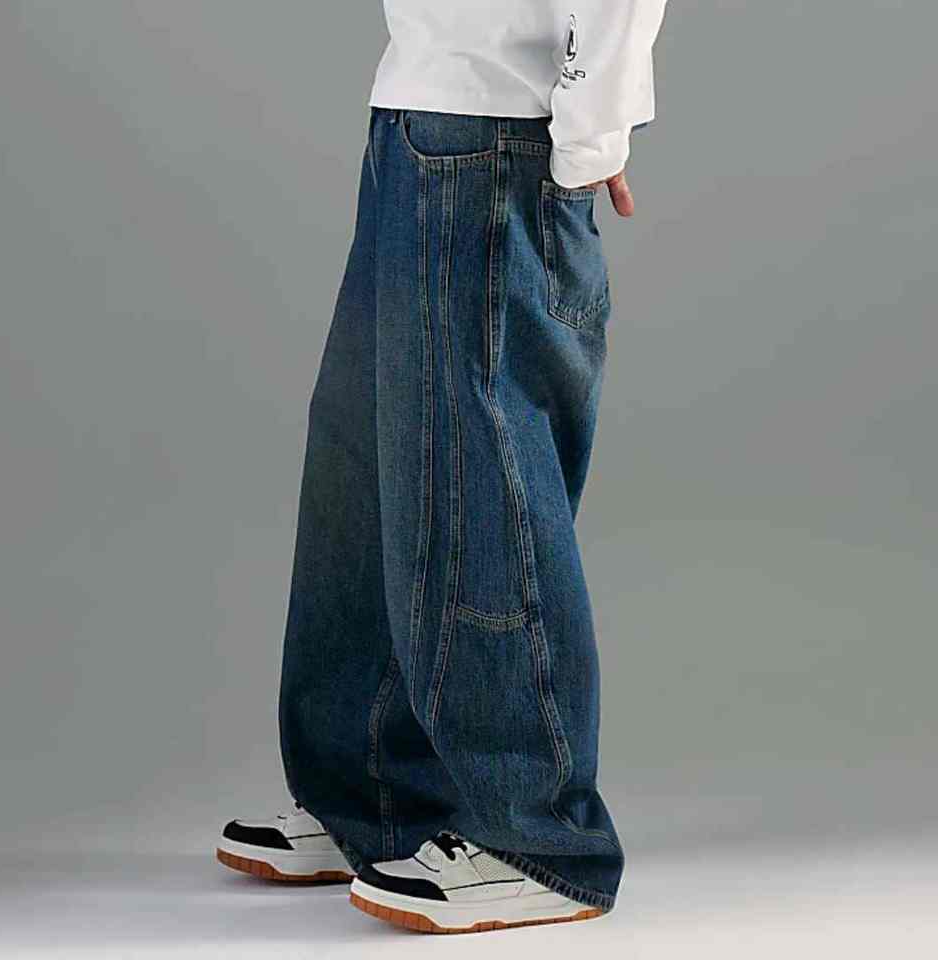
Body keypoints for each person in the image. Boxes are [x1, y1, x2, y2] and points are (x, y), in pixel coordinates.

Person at [217, 0, 669, 934]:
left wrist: (591, 133)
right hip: (414, 112)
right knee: (367, 467)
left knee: (479, 480)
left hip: (501, 132)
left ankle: (538, 837)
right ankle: (373, 799)